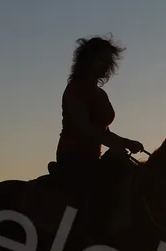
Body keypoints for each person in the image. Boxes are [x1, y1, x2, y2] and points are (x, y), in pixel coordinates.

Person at [55, 35, 144, 233]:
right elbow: (84, 128)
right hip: (73, 156)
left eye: (108, 61)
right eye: (101, 59)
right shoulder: (75, 89)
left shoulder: (100, 94)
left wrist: (124, 143)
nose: (106, 65)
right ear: (87, 60)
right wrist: (121, 143)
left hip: (94, 157)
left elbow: (103, 130)